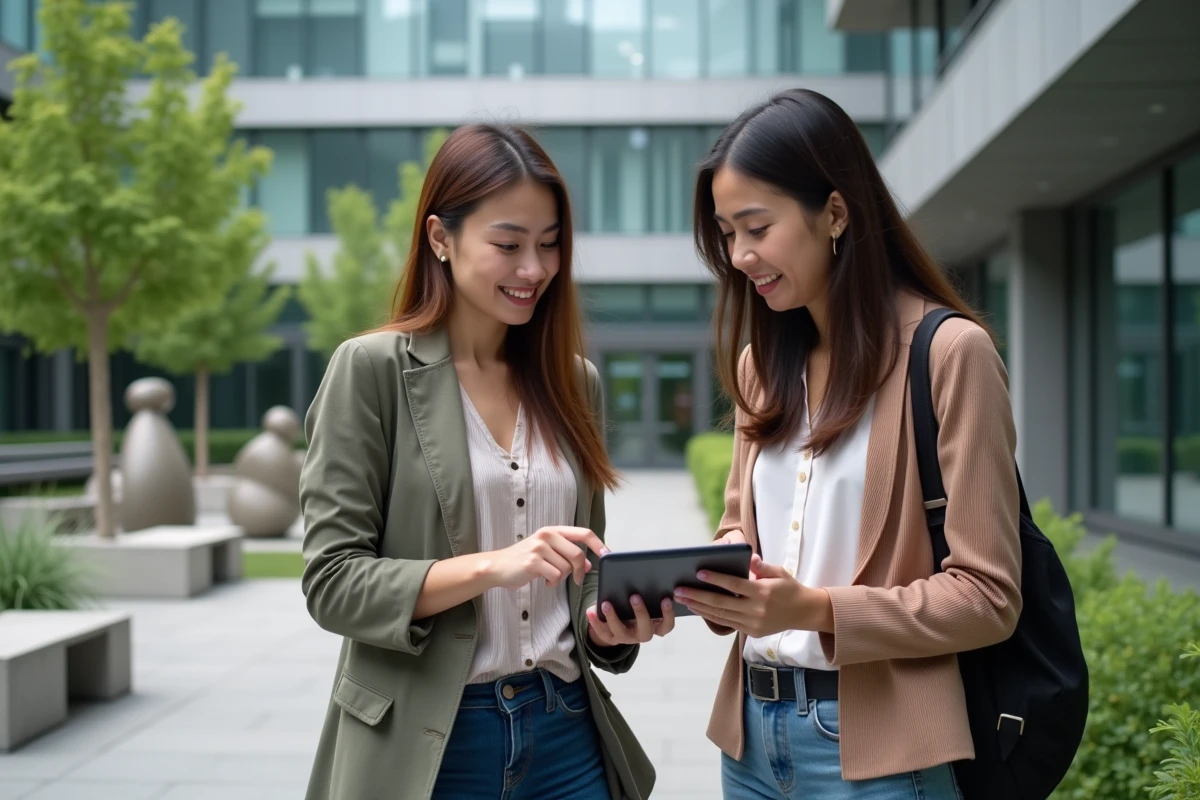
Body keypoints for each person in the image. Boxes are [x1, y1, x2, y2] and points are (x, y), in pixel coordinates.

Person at [299, 123, 671, 800]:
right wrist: (493, 567)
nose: (534, 269)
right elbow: (331, 581)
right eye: (508, 244)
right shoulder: (370, 370)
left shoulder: (573, 380)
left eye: (551, 245)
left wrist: (615, 627)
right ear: (441, 238)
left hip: (566, 732)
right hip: (430, 743)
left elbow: (581, 570)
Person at [676, 87, 1022, 799]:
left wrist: (816, 610)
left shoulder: (950, 354)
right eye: (726, 233)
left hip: (881, 756)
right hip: (750, 740)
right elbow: (740, 529)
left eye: (757, 228)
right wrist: (702, 587)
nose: (740, 256)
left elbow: (988, 596)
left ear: (835, 212)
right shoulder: (761, 365)